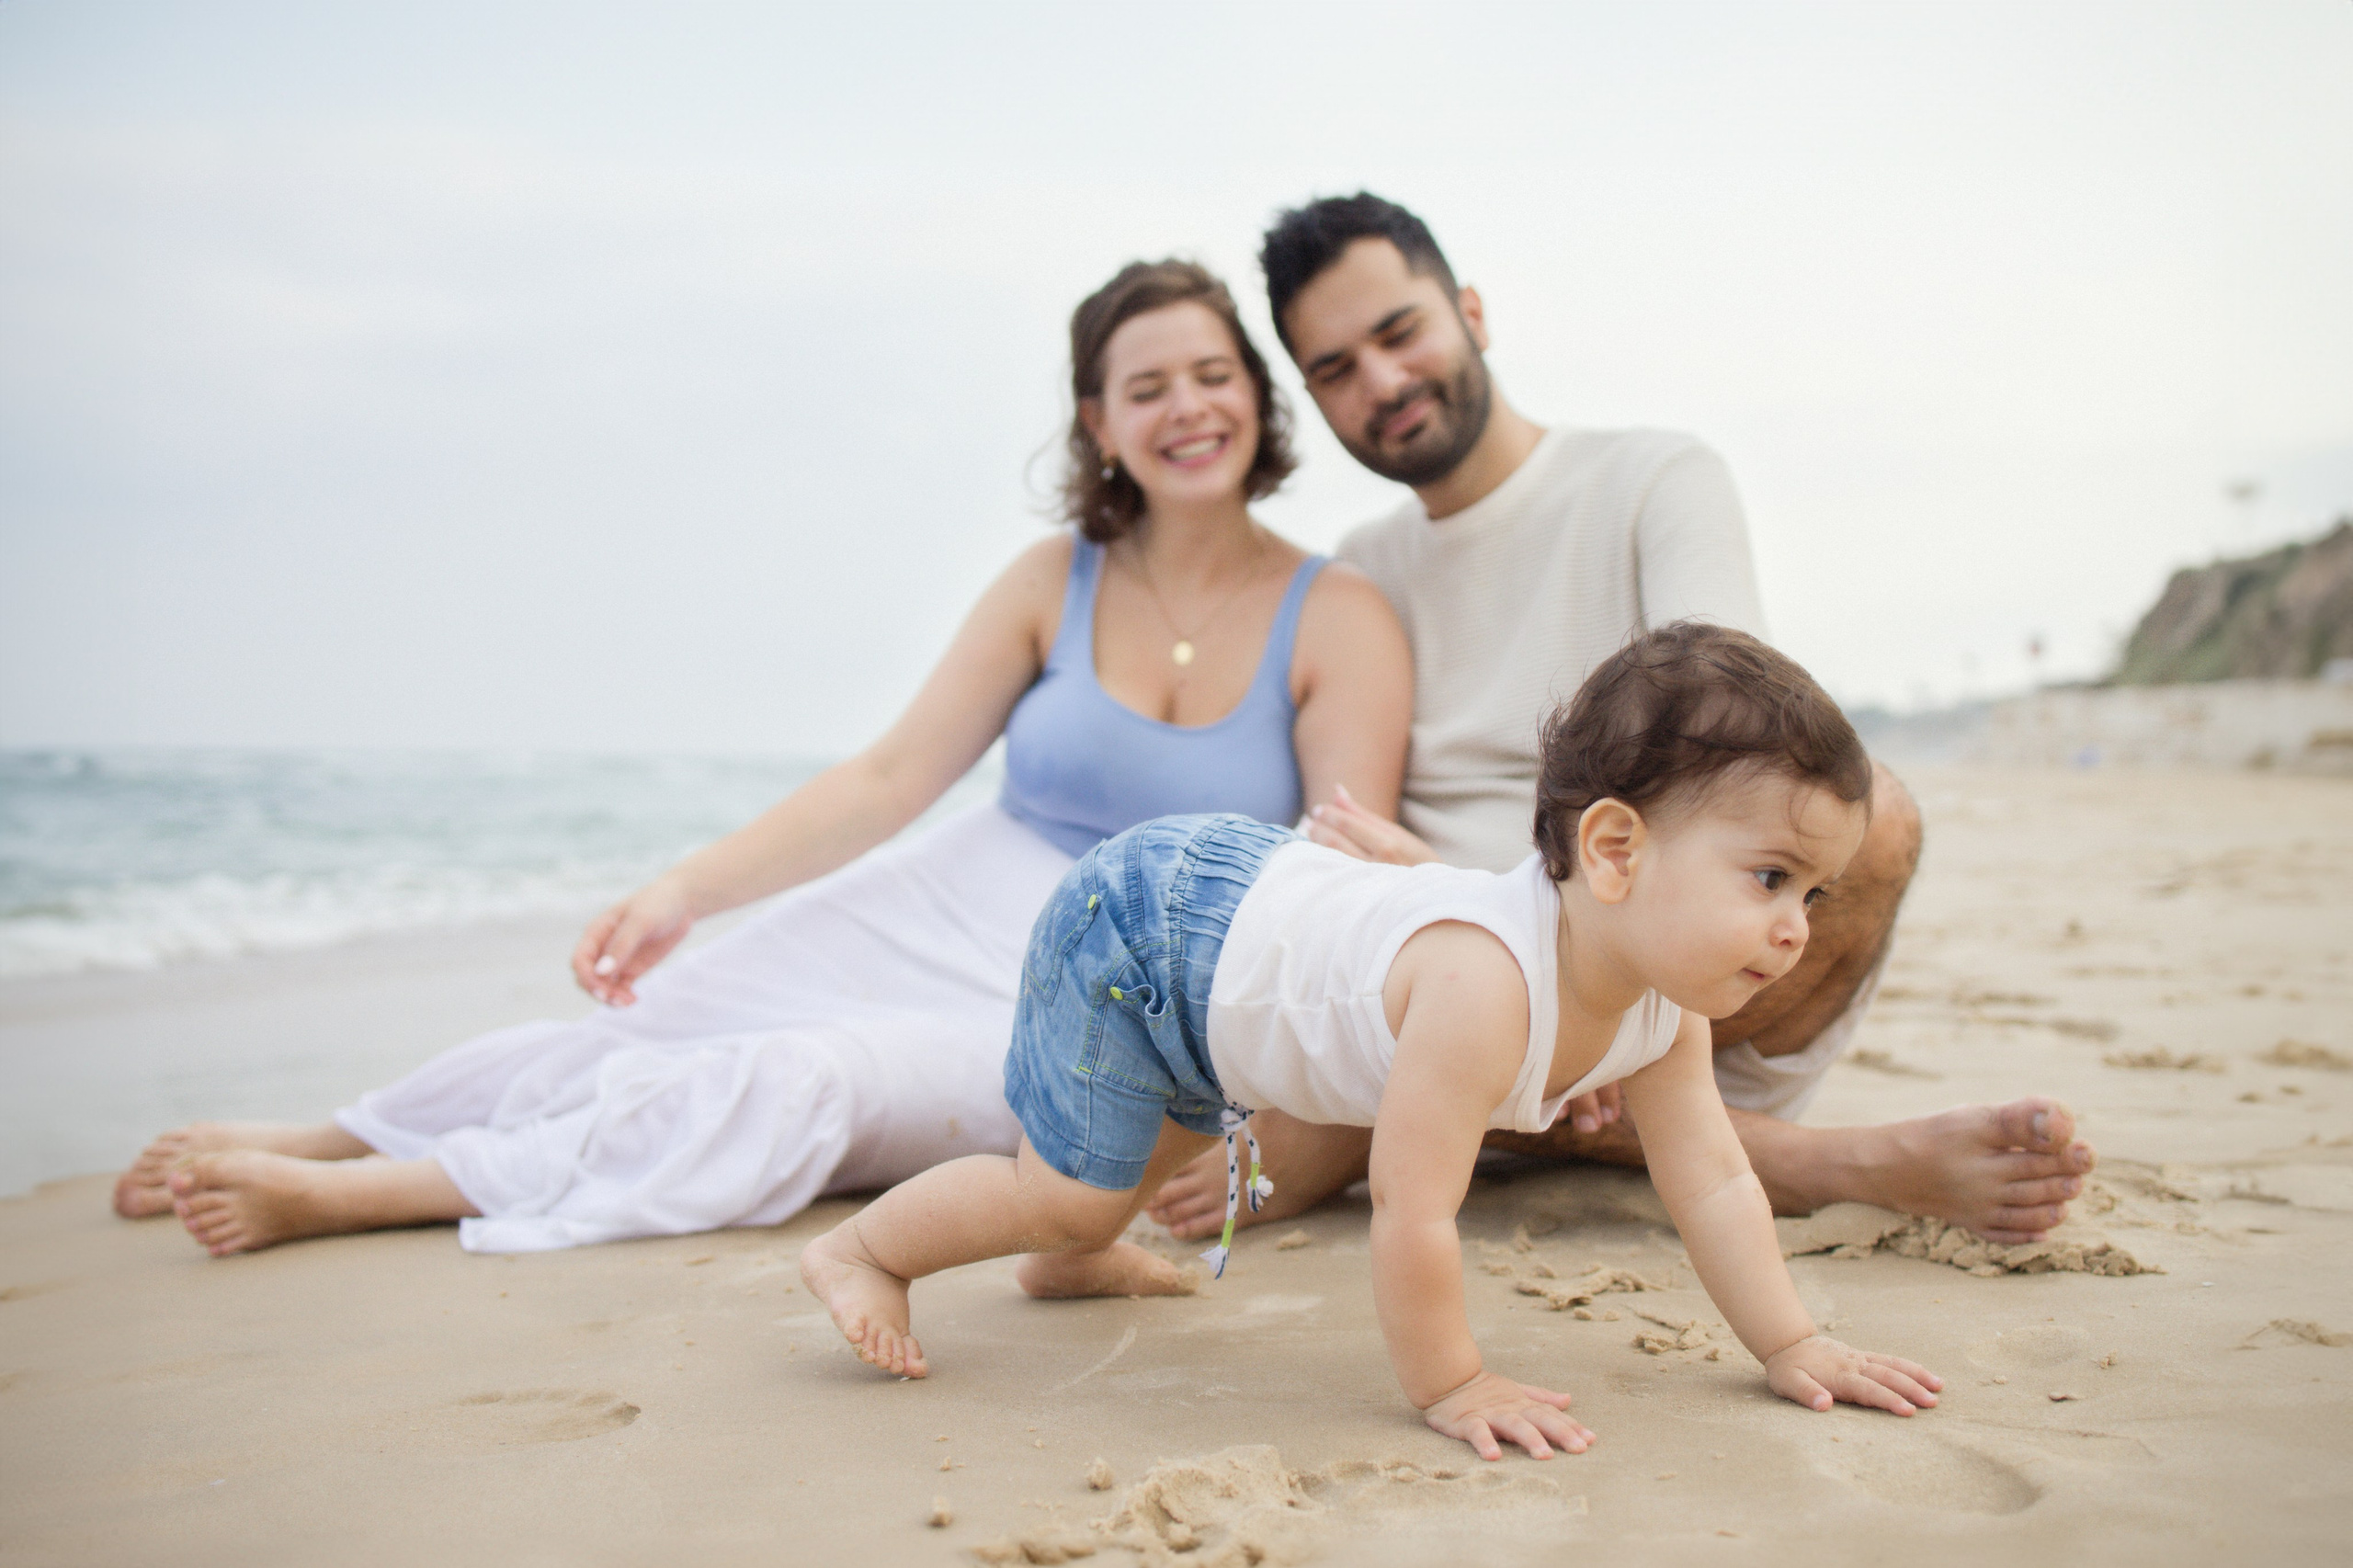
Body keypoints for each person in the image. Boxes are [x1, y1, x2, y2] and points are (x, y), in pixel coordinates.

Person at [114, 258, 1412, 1256]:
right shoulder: (1048, 580)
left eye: (1211, 373)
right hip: (956, 885)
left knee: (812, 1079)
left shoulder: (1336, 613)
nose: (1186, 407)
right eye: (1147, 386)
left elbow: (1329, 876)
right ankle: (337, 1129)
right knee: (678, 1009)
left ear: (1255, 390)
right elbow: (889, 779)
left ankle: (362, 1194)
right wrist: (684, 889)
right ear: (1099, 420)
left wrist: (1257, 1116)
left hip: (1115, 977)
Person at [1150, 192, 2095, 1249]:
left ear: (1469, 310)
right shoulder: (1363, 569)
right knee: (1463, 970)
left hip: (1644, 922)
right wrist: (1464, 915)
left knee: (1874, 818)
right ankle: (1829, 1162)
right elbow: (1346, 826)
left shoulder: (1652, 479)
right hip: (1458, 953)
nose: (1381, 381)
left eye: (1398, 331)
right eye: (1333, 370)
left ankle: (1417, 1115)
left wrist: (1587, 942)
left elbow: (1748, 750)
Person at [801, 624, 1945, 1462]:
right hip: (1150, 928)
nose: (1797, 925)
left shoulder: (1663, 1012)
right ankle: (869, 1253)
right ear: (1611, 850)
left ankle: (1074, 1255)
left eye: (1814, 889)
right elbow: (1412, 1209)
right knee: (1056, 1187)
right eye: (1769, 877)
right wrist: (1452, 1380)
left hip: (1238, 965)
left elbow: (1713, 1178)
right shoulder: (1484, 989)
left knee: (1119, 1181)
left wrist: (1792, 1341)